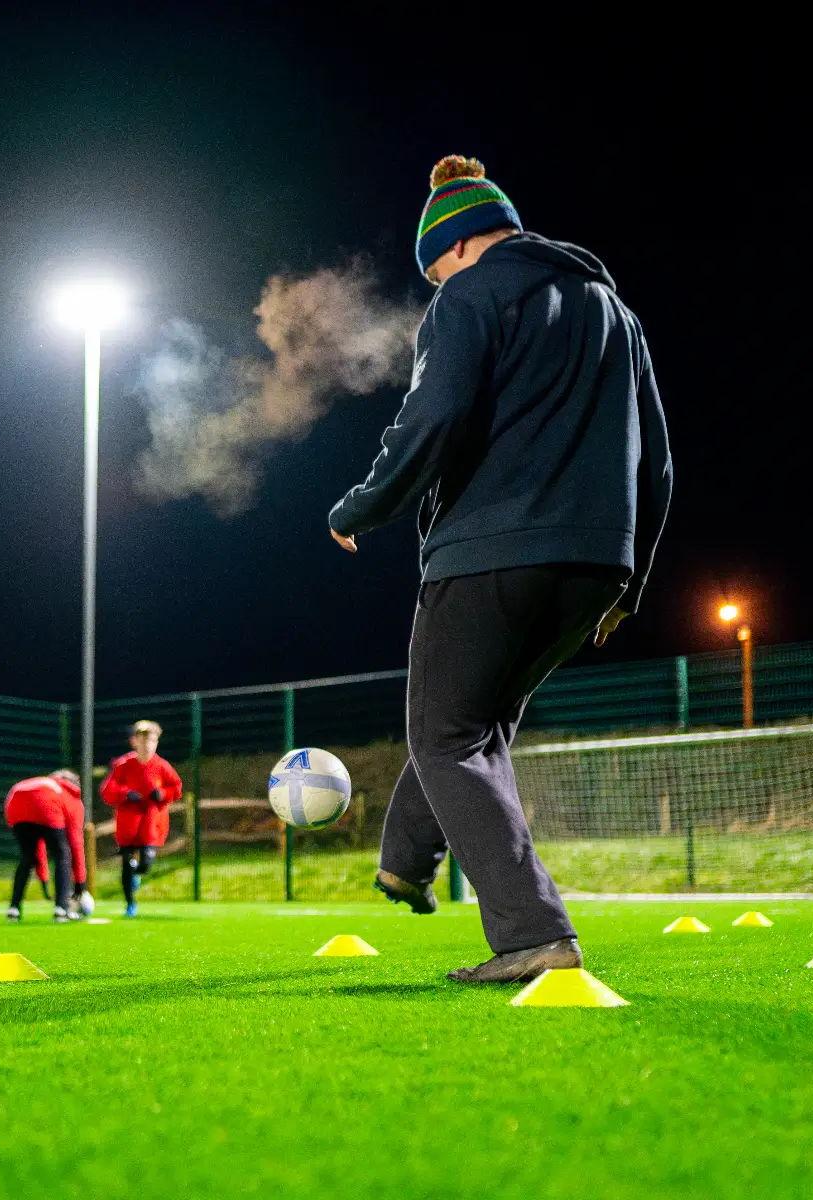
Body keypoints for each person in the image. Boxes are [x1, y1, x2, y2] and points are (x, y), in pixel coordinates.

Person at [327, 155, 672, 984]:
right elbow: (656, 460)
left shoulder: (467, 297)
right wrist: (632, 579)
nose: (434, 284)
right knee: (475, 722)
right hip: (598, 561)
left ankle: (530, 932)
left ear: (450, 248)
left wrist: (363, 505)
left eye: (431, 270)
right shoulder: (612, 310)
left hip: (491, 550)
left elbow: (433, 413)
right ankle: (407, 857)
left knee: (445, 733)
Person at [100, 720, 182, 918]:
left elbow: (176, 789)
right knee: (126, 863)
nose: (147, 745)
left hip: (152, 824)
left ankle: (138, 874)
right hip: (128, 824)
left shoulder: (162, 766)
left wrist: (162, 794)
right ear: (134, 742)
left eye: (151, 740)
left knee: (146, 861)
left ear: (156, 742)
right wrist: (125, 793)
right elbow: (107, 790)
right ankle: (130, 904)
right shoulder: (123, 765)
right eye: (142, 740)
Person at [4, 769, 86, 922]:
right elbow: (76, 842)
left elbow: (39, 850)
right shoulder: (69, 794)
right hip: (43, 804)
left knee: (27, 855)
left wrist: (44, 879)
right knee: (62, 854)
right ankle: (61, 908)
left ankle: (14, 908)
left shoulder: (43, 783)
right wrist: (80, 883)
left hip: (14, 801)